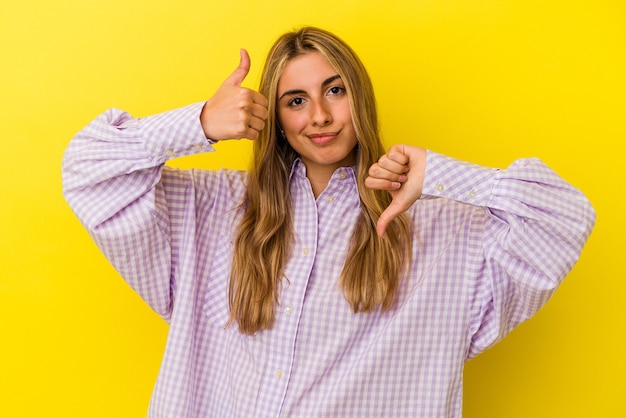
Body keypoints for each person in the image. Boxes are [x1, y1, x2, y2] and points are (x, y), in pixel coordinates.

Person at [62, 27, 595, 417]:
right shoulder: (212, 210)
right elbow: (86, 172)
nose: (319, 115)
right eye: (296, 100)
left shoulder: (444, 231)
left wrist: (442, 175)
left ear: (360, 97)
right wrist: (198, 123)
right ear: (276, 118)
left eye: (335, 91)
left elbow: (566, 217)